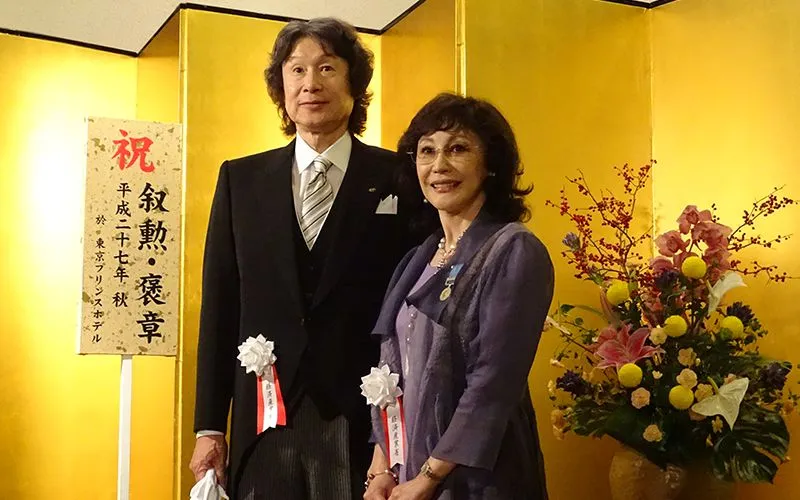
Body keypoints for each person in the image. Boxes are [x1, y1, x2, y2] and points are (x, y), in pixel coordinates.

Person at [189, 18, 421, 500]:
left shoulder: (399, 176)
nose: (310, 84)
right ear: (282, 88)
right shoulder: (241, 180)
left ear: (353, 84)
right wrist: (209, 425)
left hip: (362, 417)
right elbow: (220, 307)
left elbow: (412, 308)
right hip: (266, 413)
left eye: (327, 68)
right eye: (296, 70)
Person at [363, 93, 554, 500]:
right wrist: (382, 465)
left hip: (480, 478)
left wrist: (428, 479)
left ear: (490, 165)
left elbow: (493, 384)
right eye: (426, 151)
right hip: (409, 472)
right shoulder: (418, 257)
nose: (439, 166)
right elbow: (390, 374)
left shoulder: (514, 250)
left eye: (458, 149)